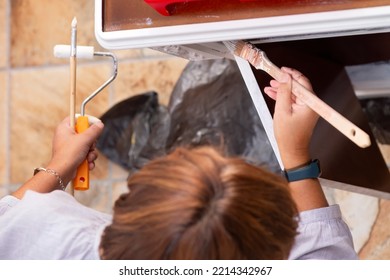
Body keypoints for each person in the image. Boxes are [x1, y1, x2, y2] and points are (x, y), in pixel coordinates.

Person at [0, 67, 357, 260]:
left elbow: (13, 219)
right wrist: (294, 153)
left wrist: (61, 163)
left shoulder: (56, 244)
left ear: (123, 216)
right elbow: (322, 247)